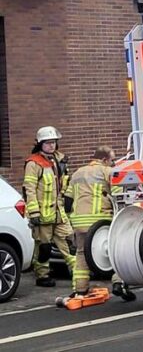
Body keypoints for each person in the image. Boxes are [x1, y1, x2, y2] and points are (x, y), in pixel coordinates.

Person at [66, 146, 136, 301]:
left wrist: (70, 219)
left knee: (81, 254)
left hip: (78, 221)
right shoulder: (108, 172)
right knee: (116, 251)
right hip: (100, 220)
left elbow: (67, 200)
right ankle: (119, 283)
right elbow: (119, 196)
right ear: (104, 160)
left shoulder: (77, 173)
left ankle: (80, 290)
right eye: (112, 160)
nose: (113, 163)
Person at [23, 126, 75, 287]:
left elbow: (67, 182)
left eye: (53, 142)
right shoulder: (34, 163)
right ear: (40, 144)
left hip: (59, 212)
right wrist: (34, 213)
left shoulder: (60, 160)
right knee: (44, 248)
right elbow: (29, 189)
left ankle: (78, 273)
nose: (51, 146)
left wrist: (68, 199)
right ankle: (42, 275)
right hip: (43, 215)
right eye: (48, 143)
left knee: (69, 241)